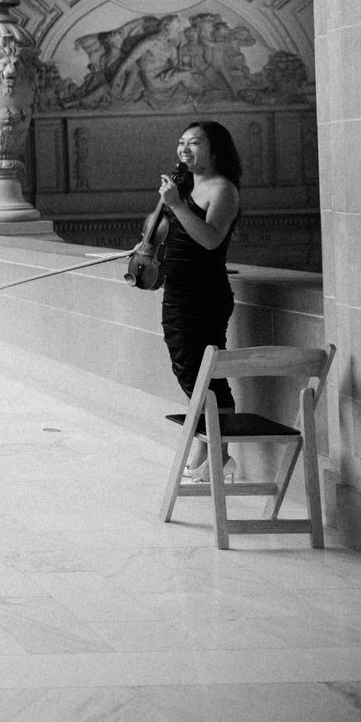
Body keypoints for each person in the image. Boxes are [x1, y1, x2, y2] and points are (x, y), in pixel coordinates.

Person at [156, 120, 242, 481]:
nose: (184, 149)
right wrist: (149, 239)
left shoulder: (223, 190)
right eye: (181, 143)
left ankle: (218, 452)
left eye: (194, 143)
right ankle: (208, 445)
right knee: (189, 369)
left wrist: (175, 206)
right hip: (177, 291)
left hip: (204, 294)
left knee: (204, 372)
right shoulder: (184, 186)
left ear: (215, 150)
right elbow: (165, 230)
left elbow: (209, 239)